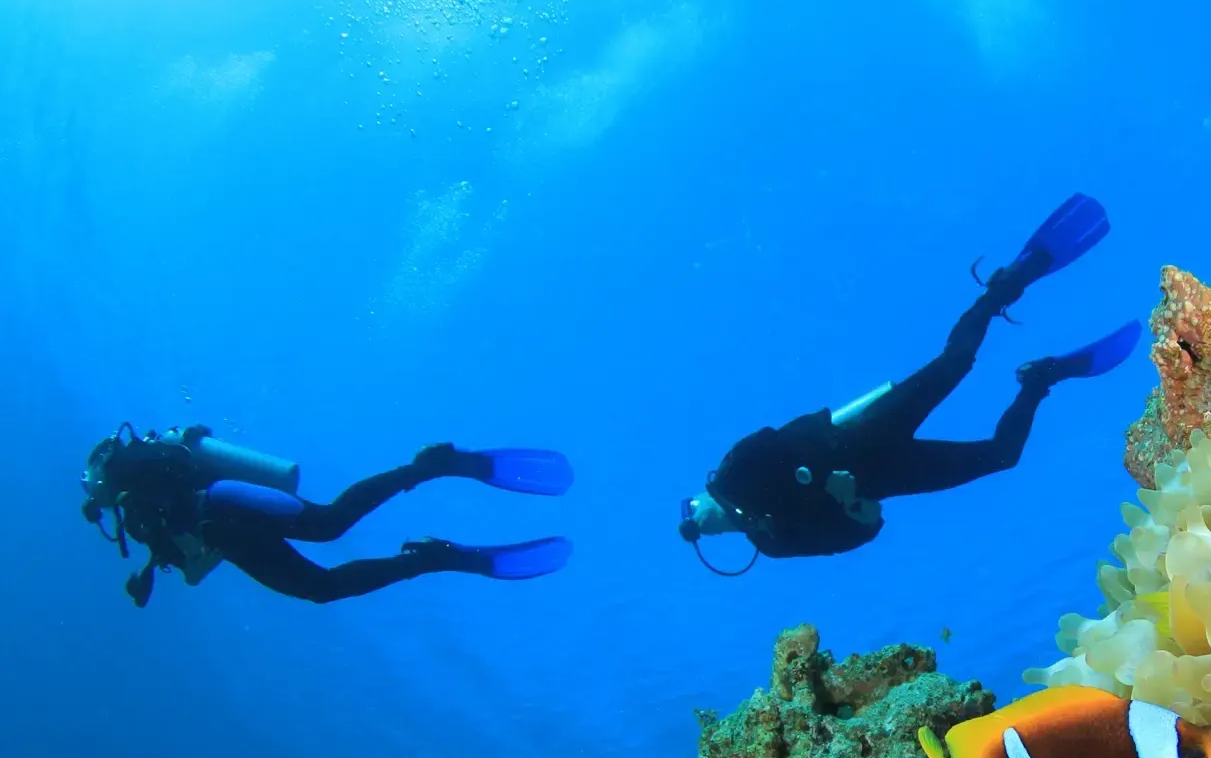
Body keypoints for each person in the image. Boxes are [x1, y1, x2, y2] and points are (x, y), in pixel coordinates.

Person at [677, 193, 1142, 573]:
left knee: (955, 363)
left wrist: (816, 474)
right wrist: (852, 502)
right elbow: (858, 535)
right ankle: (1040, 379)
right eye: (701, 529)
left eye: (693, 512)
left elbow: (776, 440)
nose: (702, 523)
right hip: (886, 476)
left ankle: (1007, 284)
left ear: (700, 499)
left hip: (863, 434)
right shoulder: (773, 544)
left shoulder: (733, 471)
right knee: (1002, 456)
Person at [80, 423, 574, 607]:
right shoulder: (139, 496)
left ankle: (430, 533)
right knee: (326, 552)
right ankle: (432, 519)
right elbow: (187, 555)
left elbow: (183, 548)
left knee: (326, 548)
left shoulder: (132, 497)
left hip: (224, 510)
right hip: (228, 518)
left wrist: (159, 563)